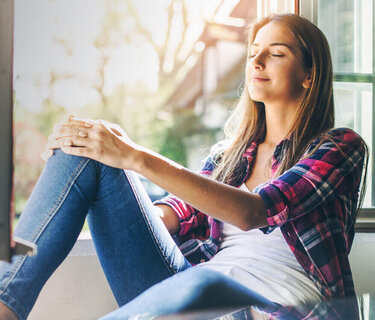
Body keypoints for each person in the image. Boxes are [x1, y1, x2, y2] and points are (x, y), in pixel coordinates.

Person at [0, 13, 368, 320]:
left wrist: (134, 155)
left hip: (276, 307)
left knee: (203, 284)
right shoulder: (230, 156)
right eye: (254, 52)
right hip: (190, 294)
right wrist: (117, 192)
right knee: (86, 149)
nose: (256, 62)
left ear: (309, 74)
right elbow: (177, 212)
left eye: (276, 54)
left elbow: (254, 211)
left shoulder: (339, 147)